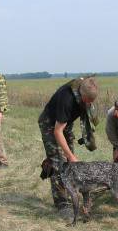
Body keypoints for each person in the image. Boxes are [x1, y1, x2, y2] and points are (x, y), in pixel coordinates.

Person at [38, 76, 99, 217]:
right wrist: (70, 156)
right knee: (58, 162)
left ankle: (71, 193)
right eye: (87, 101)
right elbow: (57, 131)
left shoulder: (86, 87)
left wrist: (71, 154)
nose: (89, 104)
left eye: (91, 102)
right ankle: (62, 204)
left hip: (65, 124)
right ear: (81, 95)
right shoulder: (66, 99)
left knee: (70, 164)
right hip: (50, 124)